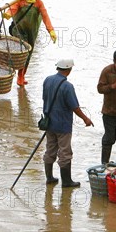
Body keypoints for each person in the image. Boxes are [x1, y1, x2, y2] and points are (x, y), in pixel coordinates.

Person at [42, 59, 93, 187]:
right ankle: (66, 181)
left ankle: (49, 178)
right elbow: (74, 107)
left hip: (48, 123)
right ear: (69, 70)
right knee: (65, 153)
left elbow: (45, 98)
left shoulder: (47, 80)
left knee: (50, 150)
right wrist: (85, 119)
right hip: (63, 125)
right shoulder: (67, 86)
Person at [3, 0, 57, 86]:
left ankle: (22, 75)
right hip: (19, 30)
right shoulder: (20, 0)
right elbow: (13, 8)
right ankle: (16, 75)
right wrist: (8, 14)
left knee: (28, 54)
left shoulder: (39, 3)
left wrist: (51, 31)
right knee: (22, 52)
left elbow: (45, 16)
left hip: (32, 32)